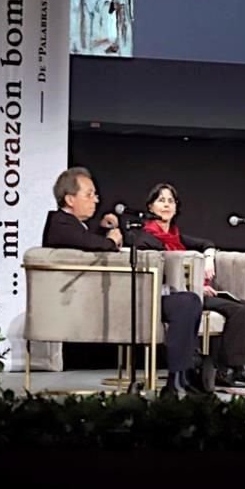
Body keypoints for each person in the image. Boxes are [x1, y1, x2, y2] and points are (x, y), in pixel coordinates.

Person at [41, 167, 205, 394]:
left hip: (114, 300)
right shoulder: (60, 224)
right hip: (96, 306)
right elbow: (93, 246)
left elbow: (85, 245)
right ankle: (177, 380)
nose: (96, 200)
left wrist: (102, 230)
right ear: (70, 199)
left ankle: (180, 378)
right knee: (185, 304)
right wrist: (110, 239)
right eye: (89, 194)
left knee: (189, 302)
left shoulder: (72, 226)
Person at [132, 182, 245, 388]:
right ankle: (226, 370)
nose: (166, 205)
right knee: (237, 310)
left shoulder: (177, 236)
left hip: (197, 290)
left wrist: (209, 259)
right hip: (177, 296)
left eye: (170, 201)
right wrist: (195, 285)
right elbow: (158, 274)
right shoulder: (144, 238)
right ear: (150, 207)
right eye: (161, 200)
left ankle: (241, 369)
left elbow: (206, 244)